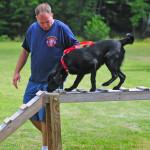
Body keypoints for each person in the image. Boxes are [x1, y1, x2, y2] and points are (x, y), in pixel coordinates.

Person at [12, 3, 78, 150]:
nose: (45, 25)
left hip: (53, 81)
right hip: (34, 79)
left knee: (45, 118)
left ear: (52, 15)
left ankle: (46, 147)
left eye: (47, 21)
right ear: (36, 18)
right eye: (41, 22)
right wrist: (17, 71)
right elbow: (25, 51)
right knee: (28, 112)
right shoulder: (32, 29)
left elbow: (76, 46)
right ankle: (52, 136)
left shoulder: (61, 28)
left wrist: (66, 65)